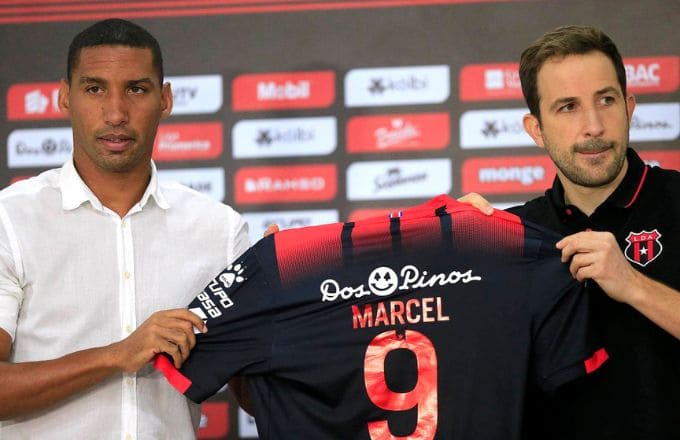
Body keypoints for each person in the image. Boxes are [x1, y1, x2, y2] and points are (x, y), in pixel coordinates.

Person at [0, 18, 249, 438]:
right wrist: (118, 355)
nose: (116, 113)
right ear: (65, 97)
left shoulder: (220, 230)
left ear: (165, 99)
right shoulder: (10, 220)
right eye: (95, 89)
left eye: (136, 89)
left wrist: (280, 298)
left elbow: (256, 397)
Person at [462, 25, 679, 439]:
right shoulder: (513, 237)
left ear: (629, 107)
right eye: (568, 107)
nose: (594, 126)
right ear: (536, 129)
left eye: (606, 100)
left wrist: (634, 285)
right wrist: (461, 248)